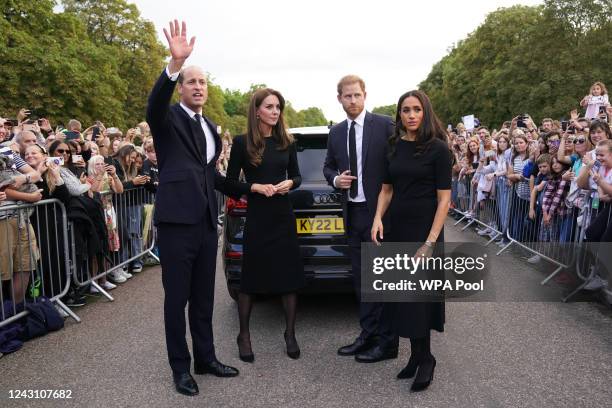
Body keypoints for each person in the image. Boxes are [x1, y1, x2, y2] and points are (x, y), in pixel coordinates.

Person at [145, 20, 238, 396]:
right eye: (191, 81)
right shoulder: (166, 121)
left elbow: (210, 176)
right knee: (177, 301)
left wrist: (252, 188)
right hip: (176, 225)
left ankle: (206, 358)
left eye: (202, 82)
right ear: (180, 88)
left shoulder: (211, 127)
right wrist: (173, 64)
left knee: (203, 298)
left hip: (204, 224)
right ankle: (180, 369)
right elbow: (154, 106)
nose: (198, 86)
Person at [371, 90, 451, 392]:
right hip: (397, 227)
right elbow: (386, 189)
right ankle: (417, 356)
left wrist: (430, 242)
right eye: (405, 110)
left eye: (417, 109)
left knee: (419, 298)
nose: (411, 115)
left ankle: (426, 358)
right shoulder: (393, 146)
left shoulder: (438, 149)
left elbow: (444, 200)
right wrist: (378, 217)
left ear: (425, 112)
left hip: (425, 230)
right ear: (399, 115)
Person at [224, 88, 303, 362]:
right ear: (257, 110)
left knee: (288, 277)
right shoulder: (242, 142)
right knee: (251, 279)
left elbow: (297, 176)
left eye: (278, 107)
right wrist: (254, 186)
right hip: (258, 217)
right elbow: (228, 183)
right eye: (269, 106)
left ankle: (290, 333)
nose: (275, 111)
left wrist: (290, 183)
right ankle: (243, 335)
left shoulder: (286, 142)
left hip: (283, 215)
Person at [323, 74, 398, 363]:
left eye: (357, 95)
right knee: (362, 280)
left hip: (380, 214)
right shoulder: (336, 133)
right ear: (339, 98)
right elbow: (328, 166)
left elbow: (398, 165)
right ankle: (368, 335)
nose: (352, 100)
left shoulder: (385, 125)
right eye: (347, 96)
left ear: (365, 95)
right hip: (352, 214)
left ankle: (387, 343)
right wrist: (334, 179)